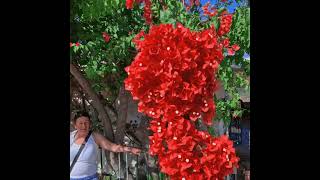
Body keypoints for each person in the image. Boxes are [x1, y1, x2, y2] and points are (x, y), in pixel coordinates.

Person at [70, 111, 141, 180]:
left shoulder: (95, 137)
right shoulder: (70, 137)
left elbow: (113, 147)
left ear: (90, 124)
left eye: (86, 123)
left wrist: (130, 149)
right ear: (75, 125)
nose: (84, 126)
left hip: (90, 177)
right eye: (80, 123)